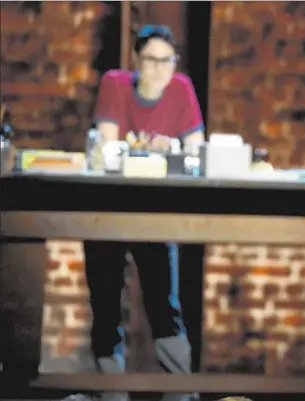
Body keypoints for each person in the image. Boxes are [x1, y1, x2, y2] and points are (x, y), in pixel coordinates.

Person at [78, 25, 204, 401]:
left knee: (166, 305)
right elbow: (108, 144)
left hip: (156, 208)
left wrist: (173, 145)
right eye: (151, 59)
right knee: (105, 306)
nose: (160, 68)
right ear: (136, 60)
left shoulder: (181, 88)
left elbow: (196, 150)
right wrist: (157, 150)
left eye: (167, 60)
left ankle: (180, 392)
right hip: (108, 209)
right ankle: (110, 392)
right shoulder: (116, 84)